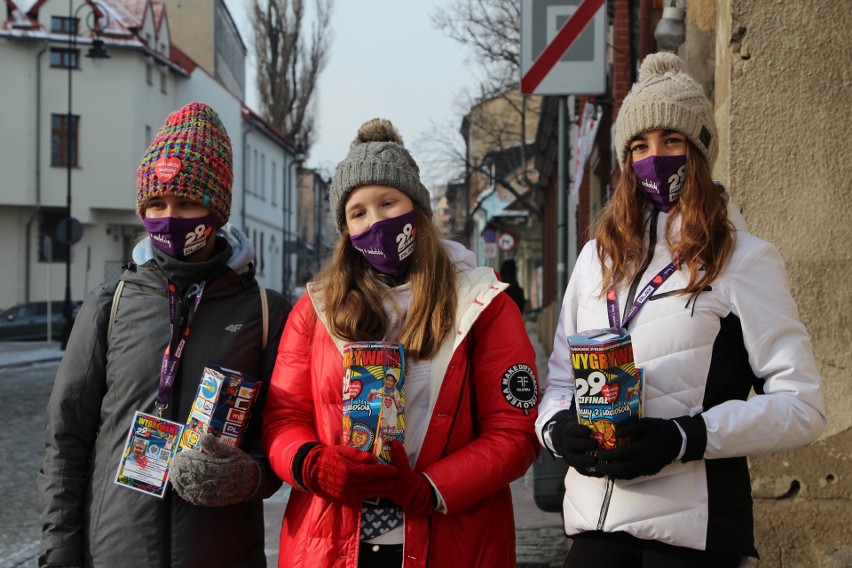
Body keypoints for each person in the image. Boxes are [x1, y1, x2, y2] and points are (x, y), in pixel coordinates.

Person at [536, 53, 826, 567]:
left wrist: (684, 437)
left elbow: (802, 407)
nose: (655, 158)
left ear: (699, 150)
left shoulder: (744, 258)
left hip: (693, 535)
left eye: (672, 140)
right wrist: (558, 431)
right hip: (594, 529)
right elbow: (559, 384)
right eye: (640, 146)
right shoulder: (595, 258)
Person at [263, 118, 540, 567]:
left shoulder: (481, 302)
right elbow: (283, 416)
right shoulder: (315, 309)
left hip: (452, 541)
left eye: (388, 203)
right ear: (346, 230)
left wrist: (432, 487)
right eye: (359, 213)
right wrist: (312, 463)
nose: (376, 222)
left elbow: (514, 430)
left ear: (417, 208)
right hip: (331, 545)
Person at [38, 102, 289, 568]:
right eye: (156, 204)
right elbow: (66, 437)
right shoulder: (107, 306)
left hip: (221, 552)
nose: (169, 217)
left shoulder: (265, 311)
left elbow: (283, 433)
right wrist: (59, 549)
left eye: (186, 203)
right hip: (115, 552)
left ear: (216, 210)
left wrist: (250, 476)